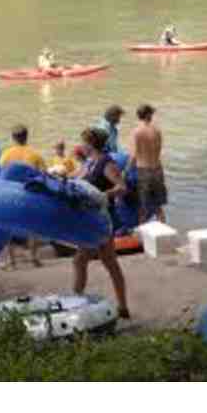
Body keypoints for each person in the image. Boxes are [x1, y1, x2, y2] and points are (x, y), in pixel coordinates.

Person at [75, 127, 130, 319]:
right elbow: (78, 178)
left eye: (83, 142)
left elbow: (122, 187)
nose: (81, 145)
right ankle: (122, 307)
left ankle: (77, 301)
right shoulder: (89, 162)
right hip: (90, 218)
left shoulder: (107, 163)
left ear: (90, 144)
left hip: (101, 219)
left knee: (85, 261)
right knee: (103, 262)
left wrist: (102, 195)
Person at [0, 124, 45, 268]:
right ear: (26, 136)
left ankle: (11, 261)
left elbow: (0, 175)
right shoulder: (35, 154)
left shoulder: (6, 154)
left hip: (11, 194)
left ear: (13, 138)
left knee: (7, 227)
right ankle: (33, 258)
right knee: (33, 227)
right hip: (29, 194)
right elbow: (44, 175)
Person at [127, 104, 168, 223]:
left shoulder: (136, 132)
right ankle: (163, 227)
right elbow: (159, 150)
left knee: (143, 207)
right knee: (158, 206)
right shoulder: (157, 130)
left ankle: (141, 230)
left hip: (143, 171)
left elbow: (134, 155)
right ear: (149, 115)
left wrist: (125, 172)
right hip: (157, 169)